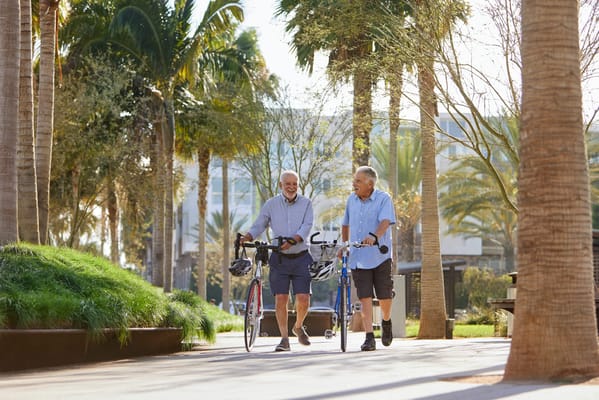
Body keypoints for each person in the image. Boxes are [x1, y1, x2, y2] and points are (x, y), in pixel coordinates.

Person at [241, 170, 314, 352]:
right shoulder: (271, 204)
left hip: (301, 256)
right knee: (281, 298)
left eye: (294, 184)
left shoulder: (306, 204)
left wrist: (293, 240)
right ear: (281, 185)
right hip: (279, 258)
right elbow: (260, 223)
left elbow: (307, 226)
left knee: (303, 299)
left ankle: (297, 326)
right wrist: (248, 236)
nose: (291, 187)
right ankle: (284, 339)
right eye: (287, 184)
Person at [339, 166, 396, 351]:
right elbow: (345, 224)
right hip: (358, 256)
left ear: (370, 184)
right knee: (364, 297)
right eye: (354, 180)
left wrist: (374, 236)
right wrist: (344, 245)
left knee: (384, 296)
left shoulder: (383, 199)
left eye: (358, 181)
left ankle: (386, 321)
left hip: (380, 255)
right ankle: (369, 336)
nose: (354, 184)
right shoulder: (351, 200)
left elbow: (385, 221)